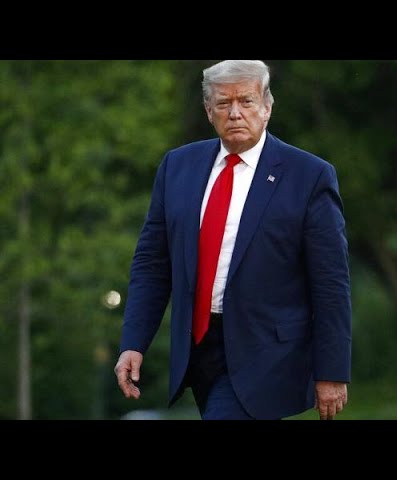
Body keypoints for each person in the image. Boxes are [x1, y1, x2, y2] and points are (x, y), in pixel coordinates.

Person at [114, 60, 351, 420]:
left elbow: (331, 282)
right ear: (209, 111)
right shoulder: (177, 167)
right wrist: (133, 342)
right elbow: (152, 264)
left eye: (246, 101)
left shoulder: (309, 176)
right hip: (197, 349)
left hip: (266, 354)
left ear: (267, 107)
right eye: (224, 103)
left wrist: (332, 370)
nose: (235, 113)